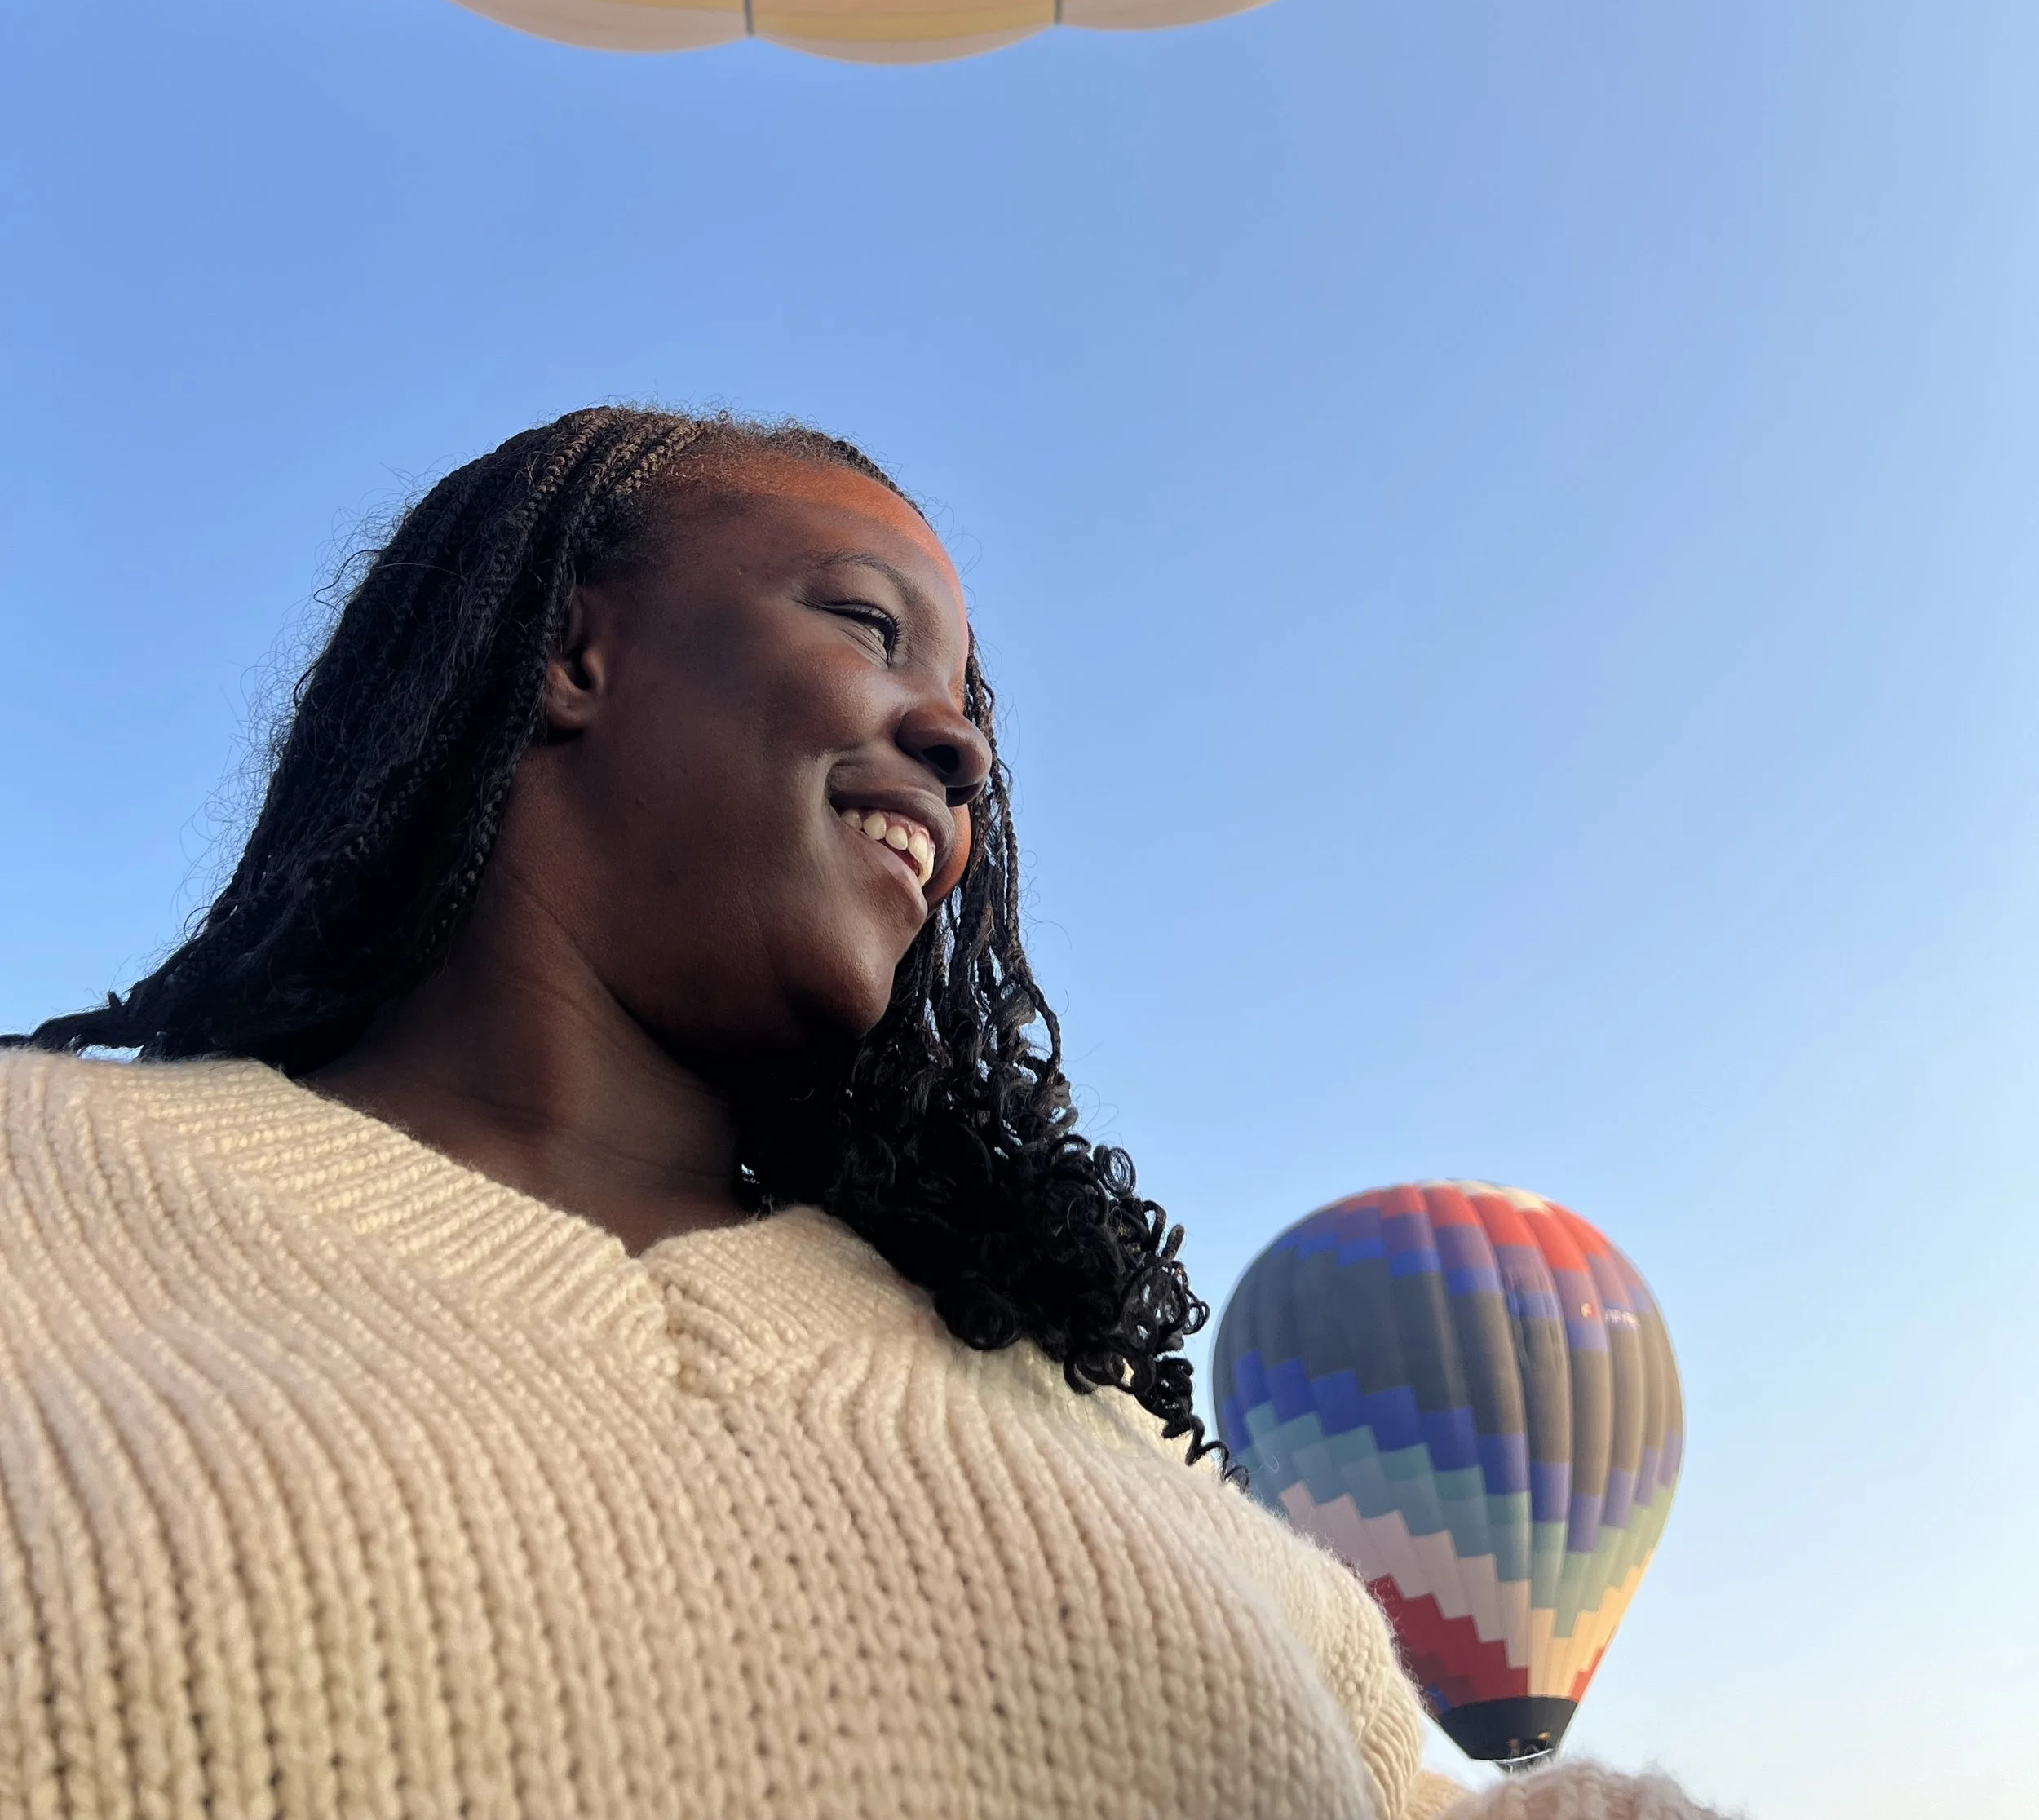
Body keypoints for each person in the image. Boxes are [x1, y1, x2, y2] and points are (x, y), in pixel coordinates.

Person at [0, 408, 1730, 1820]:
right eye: (862, 622)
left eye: (970, 706)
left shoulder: (1119, 1461)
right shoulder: (47, 1184)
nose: (957, 746)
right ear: (572, 652)